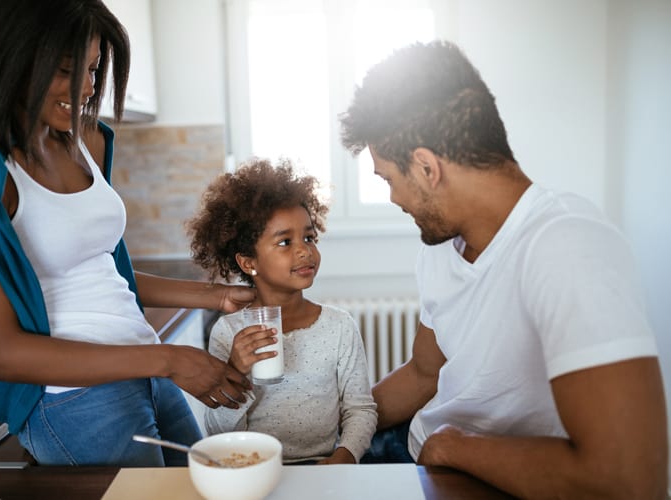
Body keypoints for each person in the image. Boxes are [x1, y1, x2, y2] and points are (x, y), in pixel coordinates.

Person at [0, 0, 255, 467]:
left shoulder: (86, 140)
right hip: (75, 399)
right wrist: (170, 360)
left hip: (146, 370)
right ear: (7, 58)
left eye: (94, 69)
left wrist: (215, 296)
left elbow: (101, 271)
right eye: (64, 70)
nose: (86, 88)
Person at [339, 40, 667, 498]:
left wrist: (453, 447)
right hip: (419, 447)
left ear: (427, 167)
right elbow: (423, 373)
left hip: (472, 467)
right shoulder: (439, 247)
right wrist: (332, 416)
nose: (394, 199)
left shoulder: (568, 245)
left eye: (389, 180)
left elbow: (629, 479)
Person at [185, 158, 378, 464]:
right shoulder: (230, 332)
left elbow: (361, 409)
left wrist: (344, 457)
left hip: (324, 467)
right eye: (285, 241)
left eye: (309, 237)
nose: (304, 250)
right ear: (249, 262)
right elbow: (219, 431)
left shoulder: (339, 326)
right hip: (255, 468)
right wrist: (234, 372)